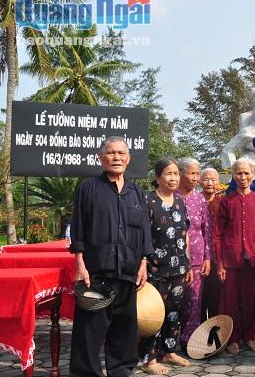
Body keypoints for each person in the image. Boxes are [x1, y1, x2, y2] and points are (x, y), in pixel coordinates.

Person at [69, 136, 152, 377]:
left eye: (121, 153)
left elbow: (144, 230)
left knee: (125, 327)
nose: (116, 157)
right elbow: (79, 228)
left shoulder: (136, 191)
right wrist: (80, 264)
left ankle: (121, 369)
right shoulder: (89, 188)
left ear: (128, 159)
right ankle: (86, 372)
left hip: (128, 269)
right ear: (100, 157)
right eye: (111, 152)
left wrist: (143, 262)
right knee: (89, 329)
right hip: (96, 270)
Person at [140, 157, 193, 374]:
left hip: (179, 268)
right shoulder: (148, 202)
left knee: (174, 312)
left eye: (176, 174)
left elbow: (185, 235)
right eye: (168, 174)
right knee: (153, 314)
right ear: (157, 177)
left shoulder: (180, 202)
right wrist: (142, 265)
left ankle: (170, 351)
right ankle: (149, 360)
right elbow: (142, 237)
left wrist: (188, 264)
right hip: (156, 270)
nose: (173, 178)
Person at [215, 157, 255, 355]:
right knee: (231, 301)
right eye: (239, 173)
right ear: (233, 176)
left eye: (247, 173)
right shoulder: (226, 202)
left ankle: (251, 336)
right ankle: (232, 338)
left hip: (253, 259)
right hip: (231, 259)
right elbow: (218, 233)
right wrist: (220, 263)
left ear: (253, 176)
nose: (243, 177)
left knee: (254, 298)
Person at [177, 157, 212, 349]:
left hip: (197, 259)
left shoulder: (199, 198)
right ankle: (168, 341)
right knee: (175, 302)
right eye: (192, 173)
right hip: (173, 260)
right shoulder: (171, 196)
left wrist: (208, 257)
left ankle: (190, 341)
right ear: (180, 174)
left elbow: (207, 229)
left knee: (194, 302)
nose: (196, 178)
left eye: (198, 174)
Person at [199, 168, 225, 321]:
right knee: (199, 297)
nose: (210, 183)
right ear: (200, 181)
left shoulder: (223, 202)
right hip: (199, 255)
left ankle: (215, 335)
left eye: (213, 179)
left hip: (218, 255)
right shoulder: (195, 199)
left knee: (216, 296)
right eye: (206, 179)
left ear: (218, 182)